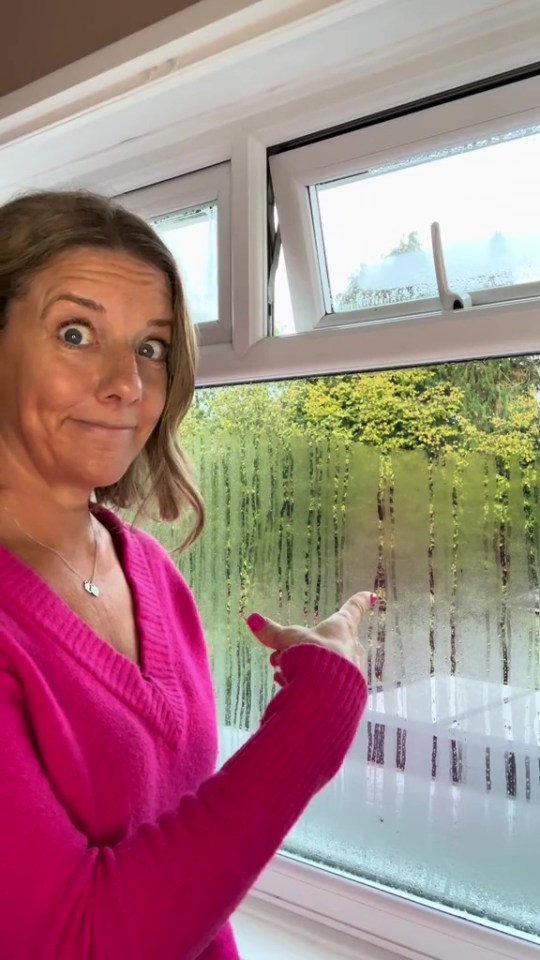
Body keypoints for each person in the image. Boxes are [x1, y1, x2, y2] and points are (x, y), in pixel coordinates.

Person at [0, 190, 373, 960]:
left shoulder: (151, 570)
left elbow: (178, 836)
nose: (127, 384)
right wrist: (315, 717)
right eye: (76, 333)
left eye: (151, 347)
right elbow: (79, 939)